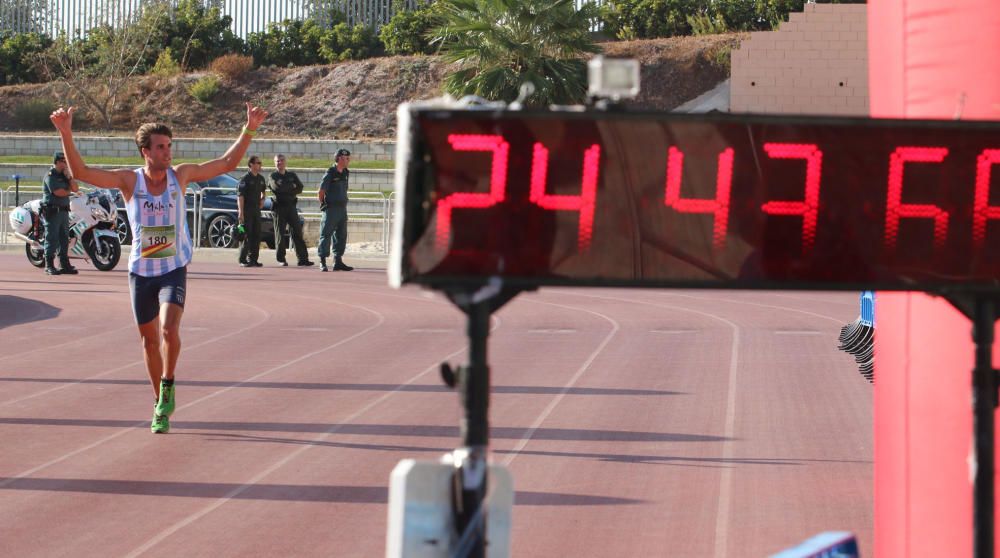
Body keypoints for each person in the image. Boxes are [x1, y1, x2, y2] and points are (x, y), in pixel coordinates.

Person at [50, 102, 268, 434]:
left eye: (170, 146)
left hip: (172, 267)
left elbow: (227, 163)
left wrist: (249, 128)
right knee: (149, 342)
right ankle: (159, 404)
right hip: (141, 272)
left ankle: (168, 382)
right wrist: (66, 132)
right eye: (161, 147)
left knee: (168, 329)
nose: (168, 152)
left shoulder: (180, 175)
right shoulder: (129, 181)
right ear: (145, 152)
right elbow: (81, 172)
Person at [269, 154, 313, 266]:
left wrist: (287, 187)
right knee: (280, 234)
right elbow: (276, 188)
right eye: (277, 161)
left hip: (291, 207)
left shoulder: (292, 175)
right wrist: (291, 187)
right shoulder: (273, 176)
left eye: (282, 160)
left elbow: (300, 187)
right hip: (279, 208)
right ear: (275, 163)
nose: (280, 163)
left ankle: (303, 259)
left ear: (285, 162)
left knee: (297, 232)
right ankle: (281, 259)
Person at [41, 151, 79, 275]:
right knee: (52, 238)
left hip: (63, 211)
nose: (66, 163)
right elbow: (58, 192)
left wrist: (69, 177)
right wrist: (69, 191)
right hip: (53, 211)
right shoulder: (50, 175)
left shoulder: (64, 175)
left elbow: (76, 188)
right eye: (64, 161)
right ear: (57, 162)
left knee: (64, 239)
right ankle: (49, 265)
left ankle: (64, 264)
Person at [317, 148, 354, 272]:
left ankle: (338, 261)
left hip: (342, 209)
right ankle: (322, 261)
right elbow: (321, 191)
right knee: (326, 234)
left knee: (341, 235)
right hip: (331, 209)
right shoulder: (330, 172)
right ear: (339, 158)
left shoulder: (345, 172)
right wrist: (323, 204)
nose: (348, 160)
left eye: (348, 158)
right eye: (346, 158)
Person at [237, 155, 266, 267]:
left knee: (256, 235)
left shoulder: (261, 178)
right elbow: (240, 196)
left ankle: (253, 259)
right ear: (251, 164)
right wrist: (241, 212)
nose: (260, 165)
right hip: (246, 211)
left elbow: (263, 192)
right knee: (244, 234)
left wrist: (263, 199)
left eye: (260, 163)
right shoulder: (244, 179)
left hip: (256, 211)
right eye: (258, 163)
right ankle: (242, 259)